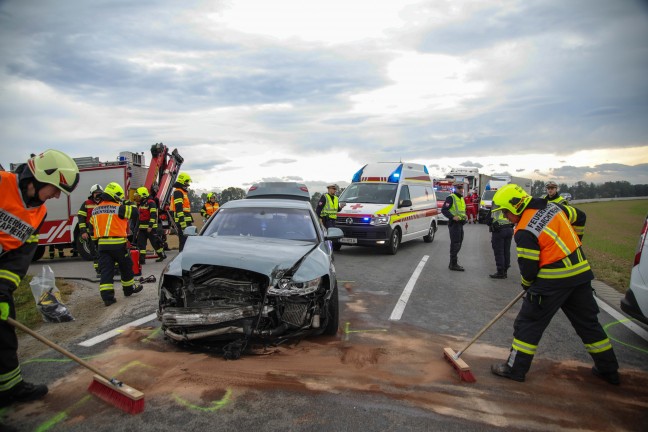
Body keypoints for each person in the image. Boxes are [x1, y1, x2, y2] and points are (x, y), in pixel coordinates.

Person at [489, 184, 619, 384]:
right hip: (580, 275)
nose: (505, 217)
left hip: (552, 281)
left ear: (515, 207)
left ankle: (515, 369)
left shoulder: (524, 230)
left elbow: (529, 270)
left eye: (505, 212)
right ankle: (608, 369)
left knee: (528, 324)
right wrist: (576, 242)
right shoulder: (554, 207)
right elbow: (581, 216)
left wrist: (527, 286)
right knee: (588, 324)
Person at [0, 149, 80, 407]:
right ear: (36, 178)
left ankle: (9, 388)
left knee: (4, 334)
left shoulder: (38, 212)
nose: (56, 196)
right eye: (55, 189)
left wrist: (2, 290)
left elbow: (20, 256)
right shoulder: (2, 184)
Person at [89, 182, 143, 306]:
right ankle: (129, 289)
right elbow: (135, 213)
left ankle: (107, 298)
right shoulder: (119, 208)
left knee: (106, 271)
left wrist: (96, 244)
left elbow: (91, 228)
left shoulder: (95, 210)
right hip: (118, 244)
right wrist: (127, 202)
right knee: (126, 267)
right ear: (115, 195)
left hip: (102, 246)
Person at [133, 186, 166, 264]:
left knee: (155, 243)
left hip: (150, 228)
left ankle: (161, 255)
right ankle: (142, 260)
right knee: (141, 245)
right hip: (142, 229)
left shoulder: (151, 203)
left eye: (138, 196)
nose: (137, 197)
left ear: (143, 195)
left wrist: (150, 226)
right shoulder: (140, 204)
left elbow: (153, 215)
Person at [441, 182, 468, 271]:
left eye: (462, 187)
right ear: (455, 188)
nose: (461, 189)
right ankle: (453, 264)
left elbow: (462, 211)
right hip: (454, 224)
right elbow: (444, 210)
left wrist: (465, 216)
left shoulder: (461, 198)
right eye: (459, 187)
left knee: (459, 243)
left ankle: (452, 263)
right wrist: (452, 217)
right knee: (455, 244)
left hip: (460, 224)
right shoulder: (451, 198)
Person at [78, 184, 103, 274]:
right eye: (96, 193)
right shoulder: (86, 204)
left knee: (103, 252)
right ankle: (98, 270)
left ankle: (107, 269)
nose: (98, 195)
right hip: (91, 233)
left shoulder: (103, 203)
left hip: (102, 232)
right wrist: (83, 232)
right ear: (92, 194)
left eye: (100, 193)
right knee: (94, 252)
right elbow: (81, 218)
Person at [486, 205, 514, 279]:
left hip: (499, 231)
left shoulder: (495, 207)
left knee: (499, 251)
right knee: (506, 251)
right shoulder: (509, 206)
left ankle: (500, 272)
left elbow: (488, 221)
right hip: (509, 229)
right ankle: (505, 271)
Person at [172, 172, 194, 252]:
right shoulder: (178, 192)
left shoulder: (182, 192)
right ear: (182, 181)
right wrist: (182, 222)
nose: (187, 184)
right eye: (186, 182)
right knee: (184, 241)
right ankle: (181, 257)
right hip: (183, 221)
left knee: (187, 241)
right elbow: (179, 208)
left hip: (185, 220)